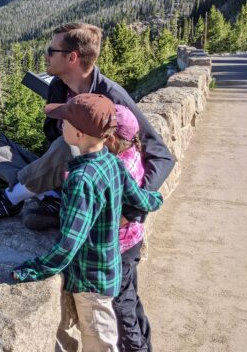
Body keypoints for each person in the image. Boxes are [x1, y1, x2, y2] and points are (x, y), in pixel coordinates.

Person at [0, 22, 174, 230]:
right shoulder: (58, 87)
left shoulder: (111, 97)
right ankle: (47, 196)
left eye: (51, 51)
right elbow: (50, 134)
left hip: (88, 180)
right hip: (57, 169)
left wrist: (133, 208)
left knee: (70, 145)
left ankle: (10, 198)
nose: (46, 56)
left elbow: (162, 155)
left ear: (72, 57)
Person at [11, 93, 164, 352]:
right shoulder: (114, 163)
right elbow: (139, 198)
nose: (61, 126)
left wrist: (34, 270)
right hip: (110, 266)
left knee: (101, 344)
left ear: (79, 135)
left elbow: (69, 242)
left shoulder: (80, 180)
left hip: (91, 282)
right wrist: (156, 198)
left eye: (65, 122)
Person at [106, 104, 153, 352]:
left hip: (120, 244)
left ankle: (136, 347)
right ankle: (145, 341)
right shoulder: (133, 153)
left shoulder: (117, 168)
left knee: (122, 304)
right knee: (131, 295)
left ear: (112, 139)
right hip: (133, 241)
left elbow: (110, 211)